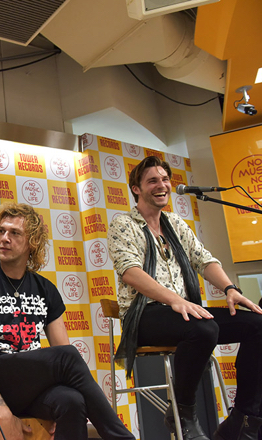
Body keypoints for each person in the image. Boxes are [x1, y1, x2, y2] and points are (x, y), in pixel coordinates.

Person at [107, 155, 262, 440]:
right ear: (136, 189)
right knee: (204, 328)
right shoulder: (123, 224)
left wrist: (230, 289)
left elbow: (204, 260)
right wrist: (174, 299)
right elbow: (130, 271)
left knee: (257, 324)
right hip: (144, 316)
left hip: (182, 313)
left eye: (165, 179)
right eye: (152, 181)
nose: (162, 185)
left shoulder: (176, 224)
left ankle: (244, 418)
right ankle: (183, 411)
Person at [0, 203, 135, 440]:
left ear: (32, 242)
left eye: (15, 233)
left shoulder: (45, 289)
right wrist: (2, 413)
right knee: (67, 356)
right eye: (1, 231)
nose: (5, 238)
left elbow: (62, 352)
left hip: (28, 385)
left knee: (72, 401)